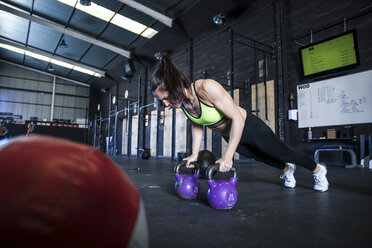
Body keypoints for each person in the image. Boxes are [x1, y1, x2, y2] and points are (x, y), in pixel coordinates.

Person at [151, 53, 329, 192]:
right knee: (261, 157)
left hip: (249, 127)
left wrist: (228, 156)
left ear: (174, 86)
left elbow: (236, 118)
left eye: (165, 98)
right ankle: (287, 170)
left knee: (282, 152)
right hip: (230, 135)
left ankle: (318, 170)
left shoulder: (206, 88)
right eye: (162, 101)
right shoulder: (182, 103)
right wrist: (194, 154)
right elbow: (197, 124)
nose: (165, 104)